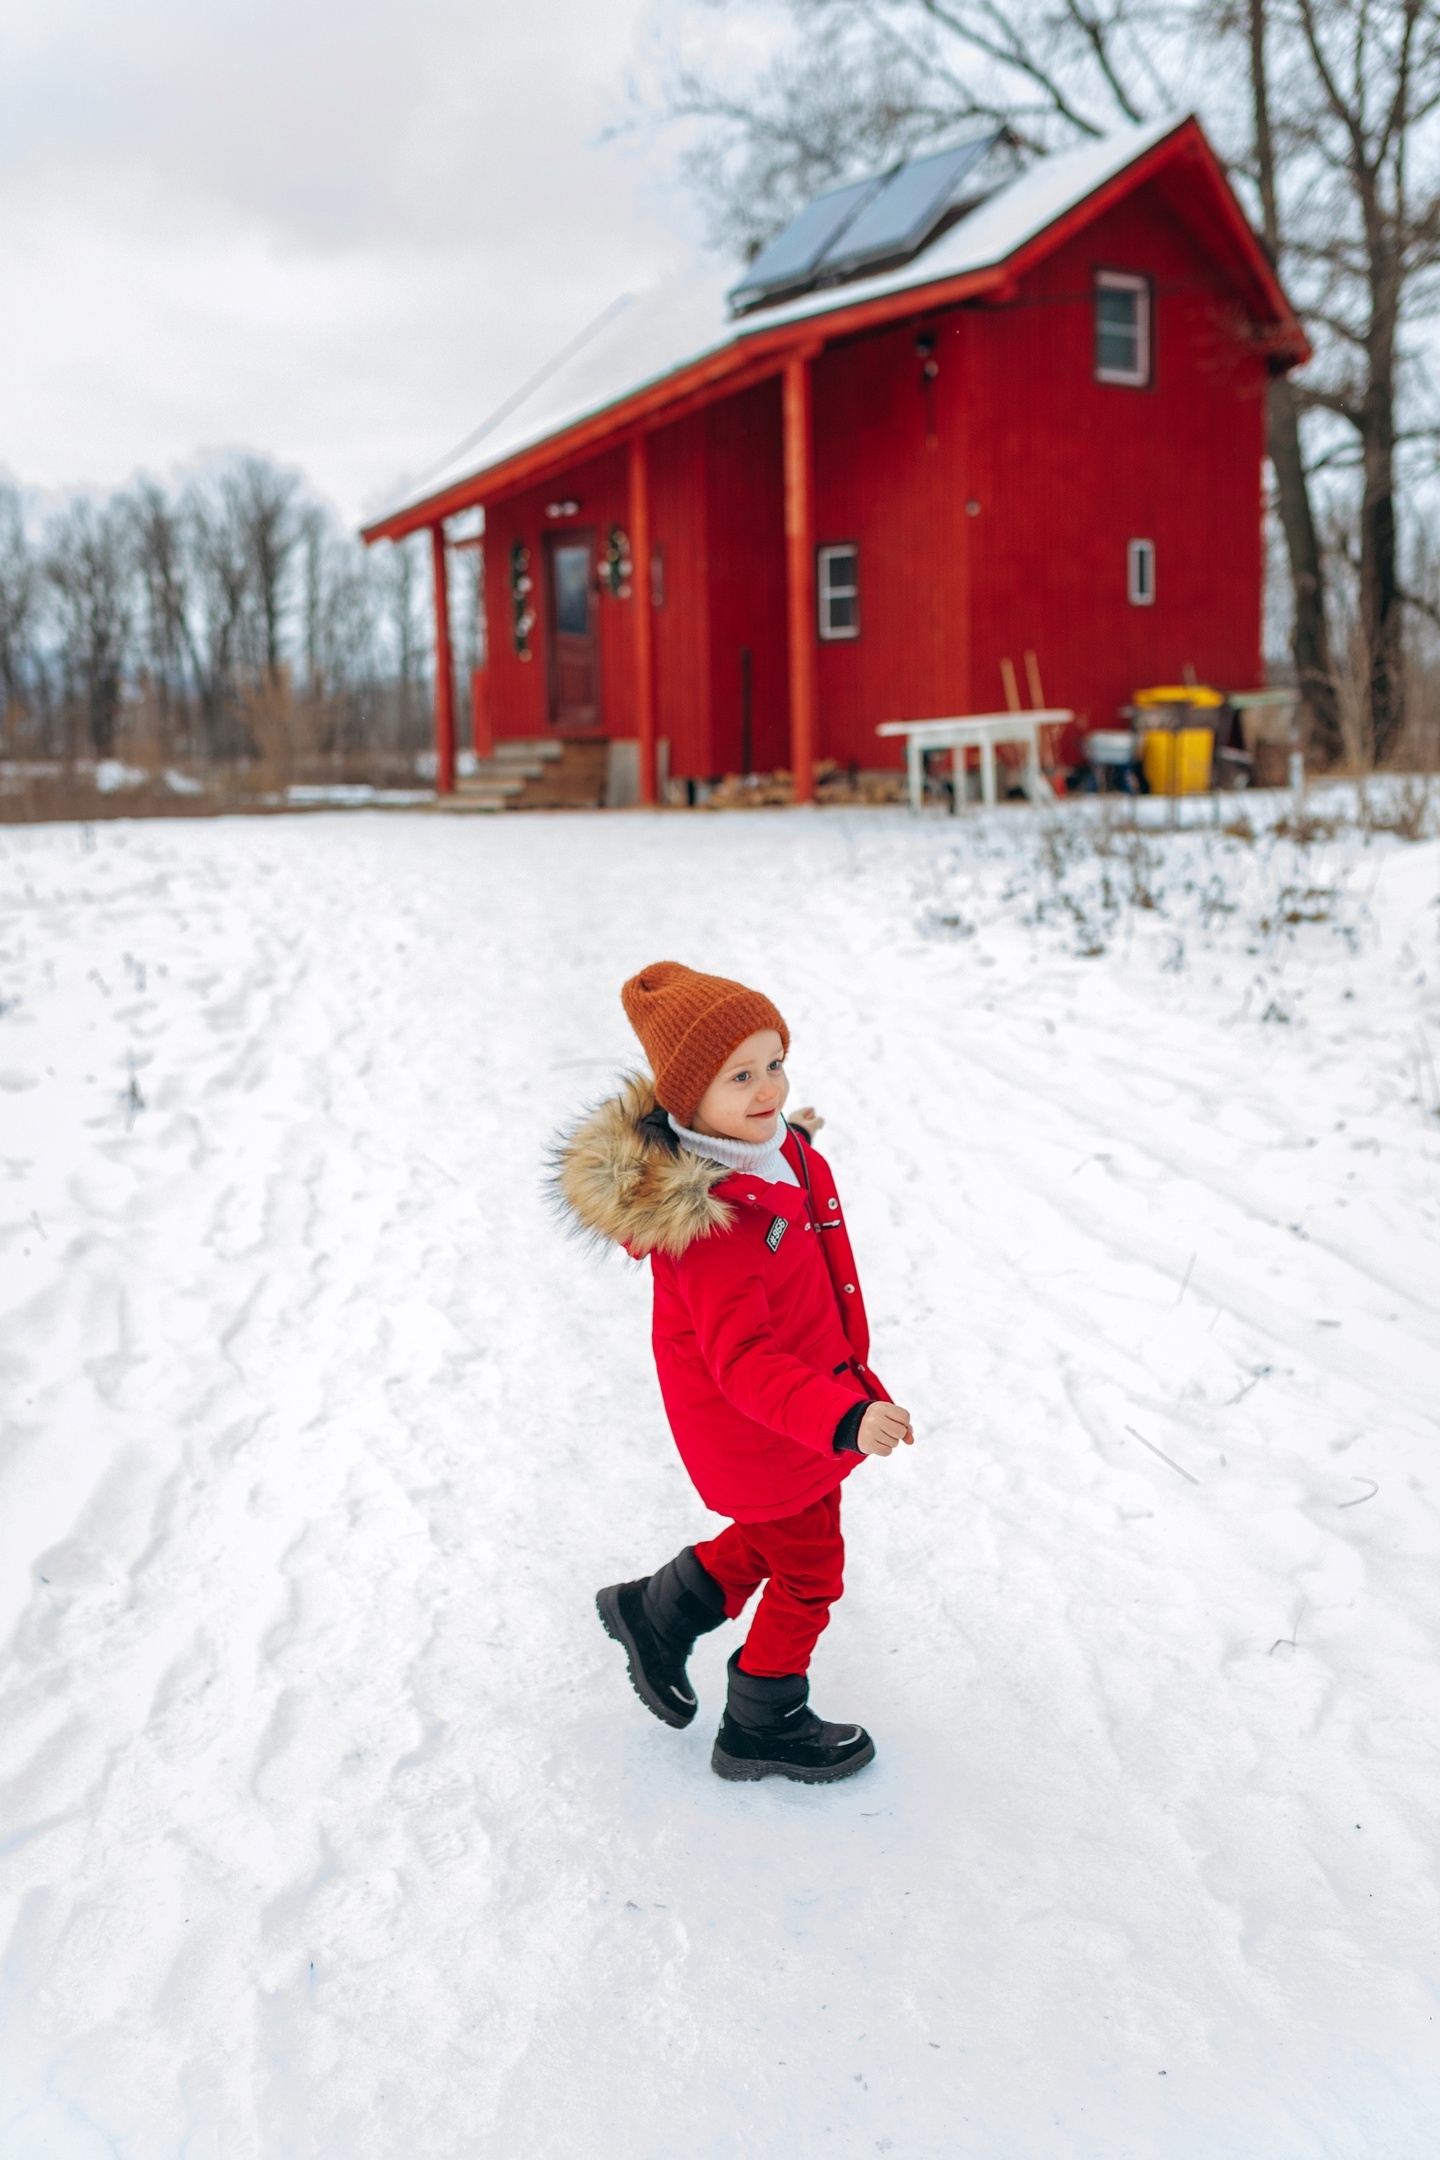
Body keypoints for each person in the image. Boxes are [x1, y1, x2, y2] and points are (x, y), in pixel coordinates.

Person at [553, 961, 913, 1784]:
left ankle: (655, 1612)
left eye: (774, 1064)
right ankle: (763, 1719)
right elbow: (743, 1361)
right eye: (740, 1077)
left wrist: (797, 1137)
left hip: (800, 1410)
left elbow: (778, 1188)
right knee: (811, 1568)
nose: (768, 1091)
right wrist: (843, 1417)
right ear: (687, 1103)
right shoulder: (713, 1228)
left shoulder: (770, 1154)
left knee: (782, 1535)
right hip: (763, 1424)